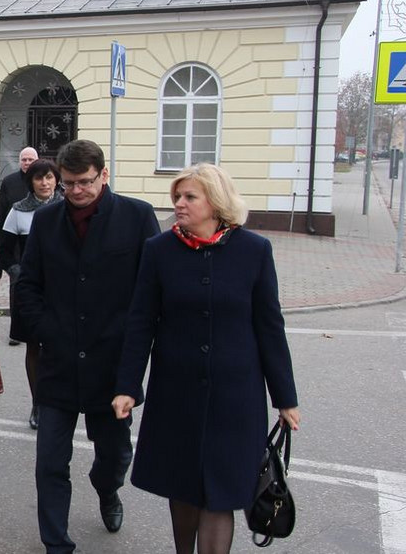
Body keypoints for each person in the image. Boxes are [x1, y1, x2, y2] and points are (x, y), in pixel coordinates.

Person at [112, 164, 300, 554]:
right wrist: (128, 386)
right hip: (176, 391)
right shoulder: (159, 250)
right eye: (177, 197)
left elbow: (270, 327)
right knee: (182, 487)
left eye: (189, 197)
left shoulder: (254, 251)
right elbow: (140, 322)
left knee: (221, 493)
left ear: (215, 202)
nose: (179, 204)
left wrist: (285, 397)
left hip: (236, 396)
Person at [13, 139, 159, 554]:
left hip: (112, 366)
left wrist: (132, 352)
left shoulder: (136, 217)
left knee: (113, 457)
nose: (75, 191)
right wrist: (47, 330)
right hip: (58, 363)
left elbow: (150, 292)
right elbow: (28, 284)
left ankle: (107, 490)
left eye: (85, 183)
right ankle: (56, 543)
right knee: (50, 464)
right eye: (68, 183)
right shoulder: (46, 220)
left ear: (104, 175)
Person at [0, 159, 63, 430]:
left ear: (57, 180)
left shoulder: (68, 207)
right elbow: (4, 251)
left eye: (49, 177)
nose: (45, 183)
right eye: (39, 178)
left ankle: (57, 402)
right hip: (31, 291)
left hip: (61, 290)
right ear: (30, 182)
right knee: (34, 347)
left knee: (60, 347)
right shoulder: (18, 212)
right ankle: (38, 403)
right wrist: (20, 275)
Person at [0, 146, 39, 278]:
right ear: (19, 162)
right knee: (16, 276)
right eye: (24, 159)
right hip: (14, 235)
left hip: (34, 233)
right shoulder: (9, 181)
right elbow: (1, 211)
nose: (27, 162)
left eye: (31, 159)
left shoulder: (44, 181)